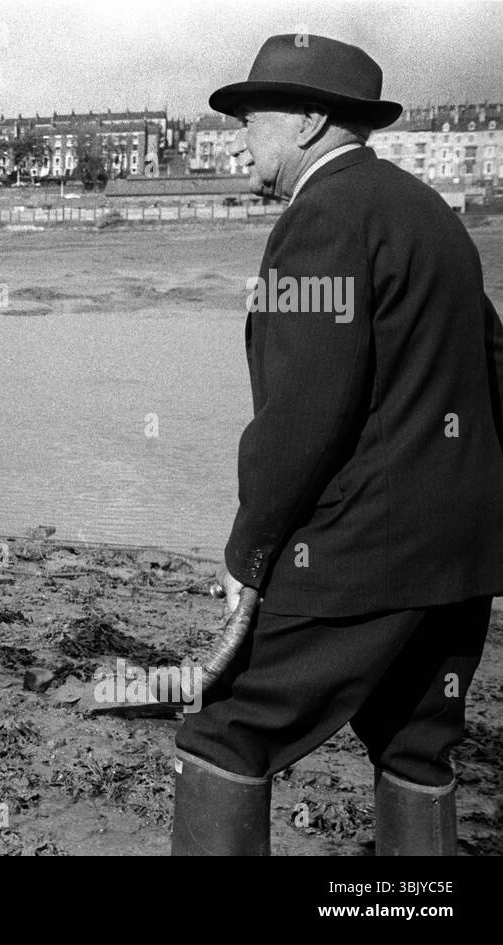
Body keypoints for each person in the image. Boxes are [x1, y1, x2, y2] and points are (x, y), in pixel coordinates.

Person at [173, 33, 503, 856]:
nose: (239, 133)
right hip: (459, 556)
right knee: (416, 744)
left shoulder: (321, 220)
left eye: (254, 115)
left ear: (312, 119)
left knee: (225, 733)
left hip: (364, 550)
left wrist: (248, 551)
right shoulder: (428, 212)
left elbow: (302, 418)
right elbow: (494, 370)